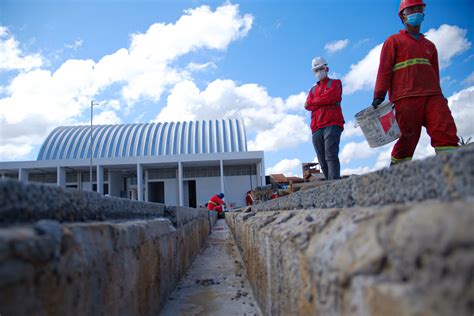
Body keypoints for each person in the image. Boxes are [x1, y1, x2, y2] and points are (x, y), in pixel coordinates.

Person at [372, 0, 458, 165]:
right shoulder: (393, 41)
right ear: (403, 16)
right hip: (405, 97)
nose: (416, 12)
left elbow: (435, 73)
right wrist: (379, 95)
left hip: (433, 96)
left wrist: (440, 95)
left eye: (419, 8)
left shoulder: (430, 46)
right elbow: (384, 69)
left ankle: (453, 172)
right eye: (411, 9)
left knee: (445, 131)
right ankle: (397, 177)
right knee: (408, 139)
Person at [305, 57, 345, 180]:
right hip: (316, 128)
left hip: (332, 124)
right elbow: (307, 105)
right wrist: (322, 100)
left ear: (326, 68)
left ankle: (334, 185)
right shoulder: (312, 90)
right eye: (316, 70)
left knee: (331, 155)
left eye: (320, 69)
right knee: (322, 159)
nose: (318, 72)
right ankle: (329, 184)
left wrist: (315, 102)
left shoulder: (335, 83)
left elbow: (331, 97)